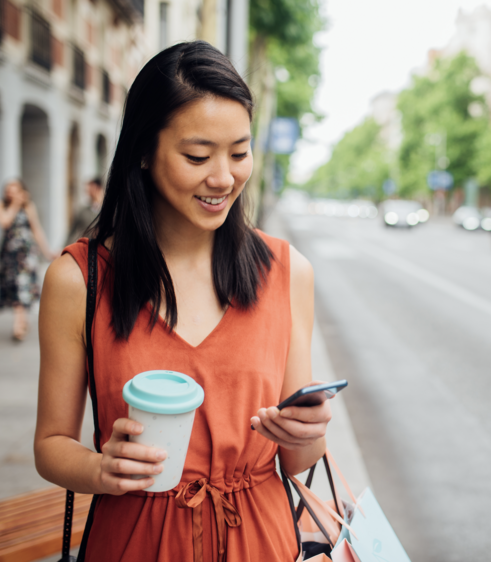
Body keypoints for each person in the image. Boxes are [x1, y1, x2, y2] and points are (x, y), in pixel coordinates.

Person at [34, 41, 330, 561]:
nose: (223, 178)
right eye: (198, 156)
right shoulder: (79, 280)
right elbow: (51, 444)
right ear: (144, 151)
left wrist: (308, 433)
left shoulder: (288, 272)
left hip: (261, 542)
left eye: (239, 153)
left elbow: (296, 461)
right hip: (133, 541)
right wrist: (100, 469)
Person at [0, 179, 56, 341]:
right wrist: (15, 204)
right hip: (10, 256)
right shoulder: (4, 205)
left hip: (27, 255)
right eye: (9, 191)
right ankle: (22, 322)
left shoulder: (29, 206)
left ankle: (18, 326)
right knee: (15, 287)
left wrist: (47, 252)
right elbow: (5, 222)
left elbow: (36, 229)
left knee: (23, 286)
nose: (12, 193)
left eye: (15, 190)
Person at [66, 178, 104, 246]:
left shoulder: (108, 212)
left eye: (91, 187)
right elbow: (72, 232)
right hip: (85, 249)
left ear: (98, 188)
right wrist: (65, 247)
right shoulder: (82, 212)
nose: (88, 191)